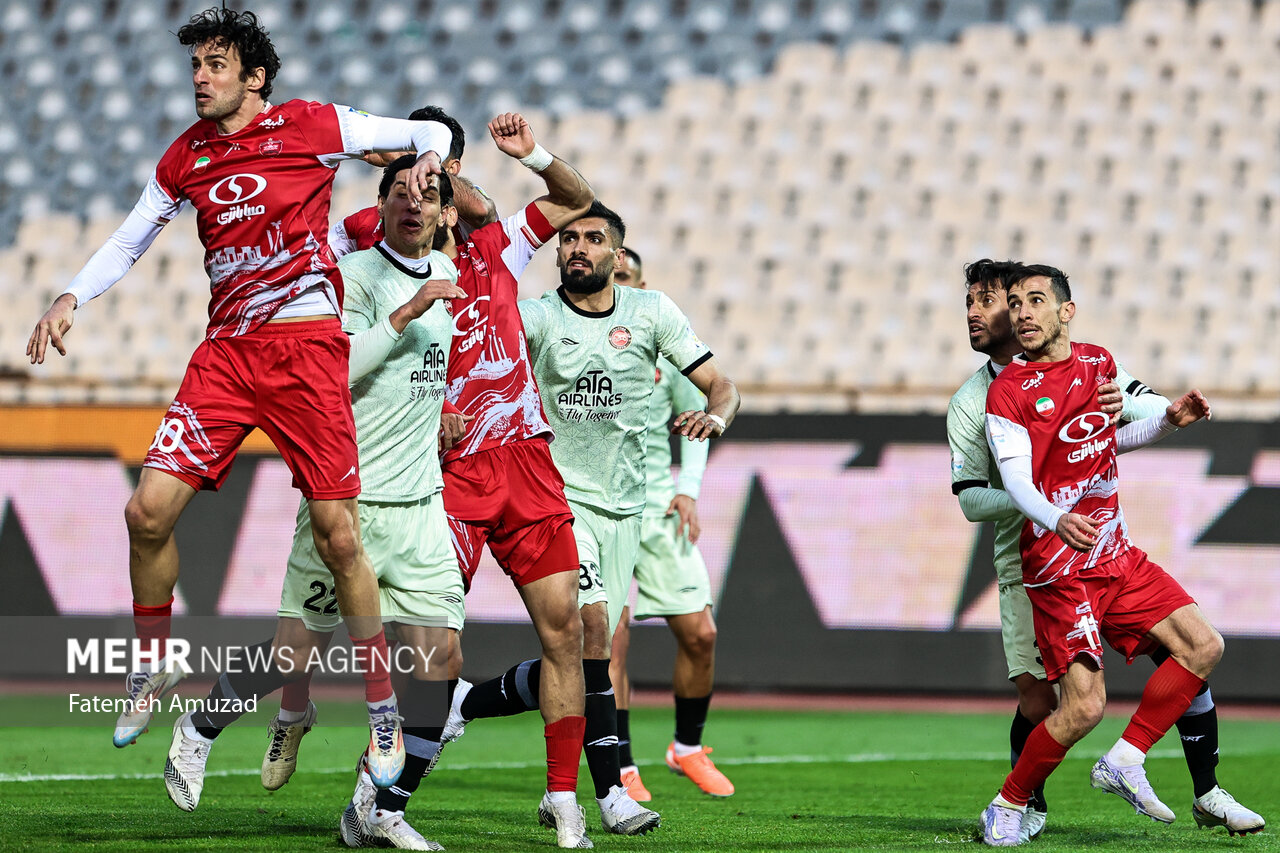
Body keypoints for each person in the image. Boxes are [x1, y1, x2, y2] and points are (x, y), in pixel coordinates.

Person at [25, 7, 458, 782]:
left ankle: (383, 708)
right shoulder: (185, 156)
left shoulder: (315, 124)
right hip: (227, 356)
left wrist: (434, 163)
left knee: (338, 535)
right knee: (144, 512)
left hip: (306, 353)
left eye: (216, 64)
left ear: (253, 76)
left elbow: (429, 134)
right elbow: (131, 237)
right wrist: (69, 296)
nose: (200, 77)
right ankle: (152, 664)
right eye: (196, 65)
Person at [446, 204, 740, 835]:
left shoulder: (653, 313)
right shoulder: (537, 318)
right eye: (569, 237)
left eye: (594, 239)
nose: (578, 247)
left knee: (589, 654)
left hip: (627, 508)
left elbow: (721, 386)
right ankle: (611, 792)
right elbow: (478, 365)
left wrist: (714, 419)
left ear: (617, 254)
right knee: (593, 634)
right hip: (556, 501)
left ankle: (467, 702)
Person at [949, 260, 1265, 842]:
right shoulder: (999, 393)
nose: (1016, 313)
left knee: (1201, 646)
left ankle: (1145, 768)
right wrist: (1055, 515)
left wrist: (1169, 420)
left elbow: (1111, 437)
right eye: (1011, 304)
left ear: (1065, 310)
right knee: (1070, 704)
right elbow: (1009, 486)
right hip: (1049, 564)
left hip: (1113, 555)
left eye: (1029, 301)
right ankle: (1014, 802)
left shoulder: (1097, 363)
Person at [608, 247, 734, 801]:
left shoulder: (662, 345)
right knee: (609, 643)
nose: (618, 284)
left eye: (626, 277)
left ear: (641, 284)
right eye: (611, 275)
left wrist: (687, 491)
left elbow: (702, 412)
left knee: (700, 634)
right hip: (596, 509)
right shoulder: (567, 338)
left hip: (657, 507)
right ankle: (622, 765)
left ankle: (685, 749)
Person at [329, 105, 496, 257]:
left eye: (425, 155)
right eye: (410, 154)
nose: (415, 166)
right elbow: (314, 264)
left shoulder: (463, 217)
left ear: (452, 169)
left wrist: (419, 163)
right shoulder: (362, 224)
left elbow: (483, 211)